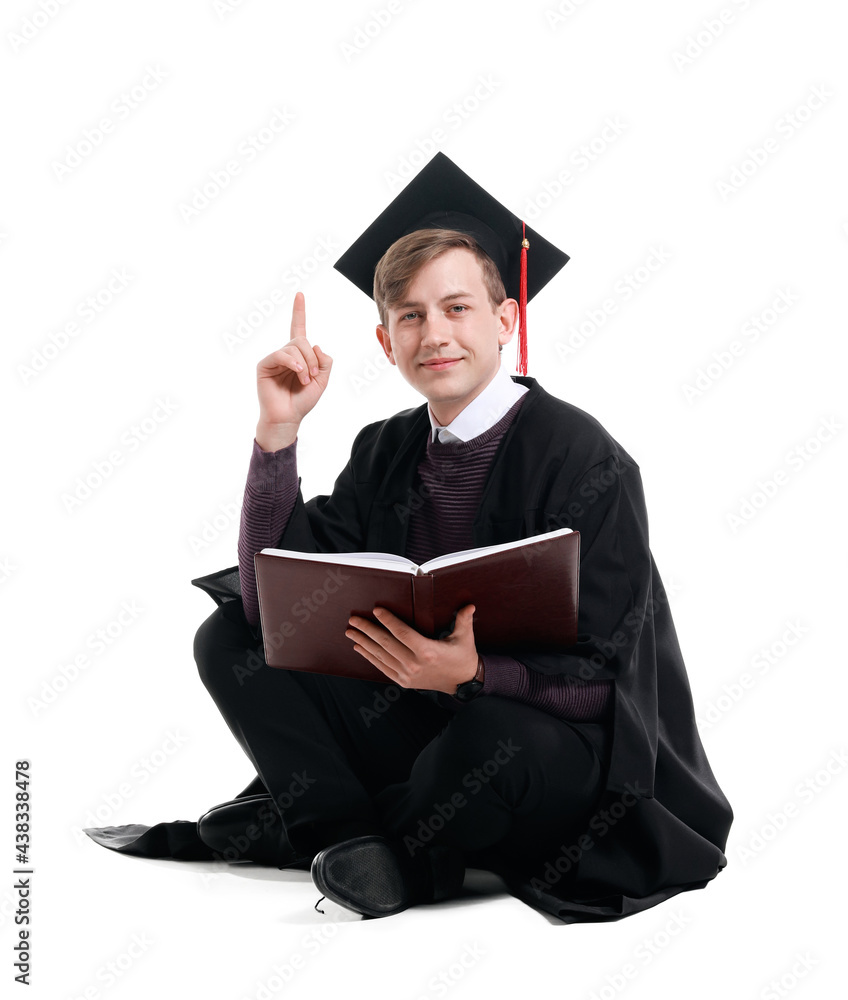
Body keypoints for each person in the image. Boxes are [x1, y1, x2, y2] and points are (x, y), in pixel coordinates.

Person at [86, 153, 732, 923]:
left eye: (458, 308)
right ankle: (356, 841)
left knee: (494, 739)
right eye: (412, 317)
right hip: (421, 723)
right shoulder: (385, 449)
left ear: (506, 319)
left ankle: (370, 844)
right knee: (227, 638)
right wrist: (278, 435)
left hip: (552, 744)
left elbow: (605, 686)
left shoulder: (583, 458)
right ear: (387, 343)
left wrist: (472, 675)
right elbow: (270, 606)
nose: (436, 334)